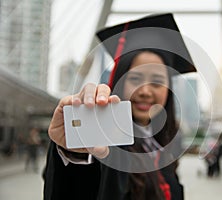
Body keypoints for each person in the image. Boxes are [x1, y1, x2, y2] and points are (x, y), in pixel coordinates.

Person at [43, 13, 196, 200]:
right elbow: (78, 189)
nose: (145, 91)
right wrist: (76, 152)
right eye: (135, 79)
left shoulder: (166, 143)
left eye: (157, 82)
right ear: (119, 82)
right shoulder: (107, 141)